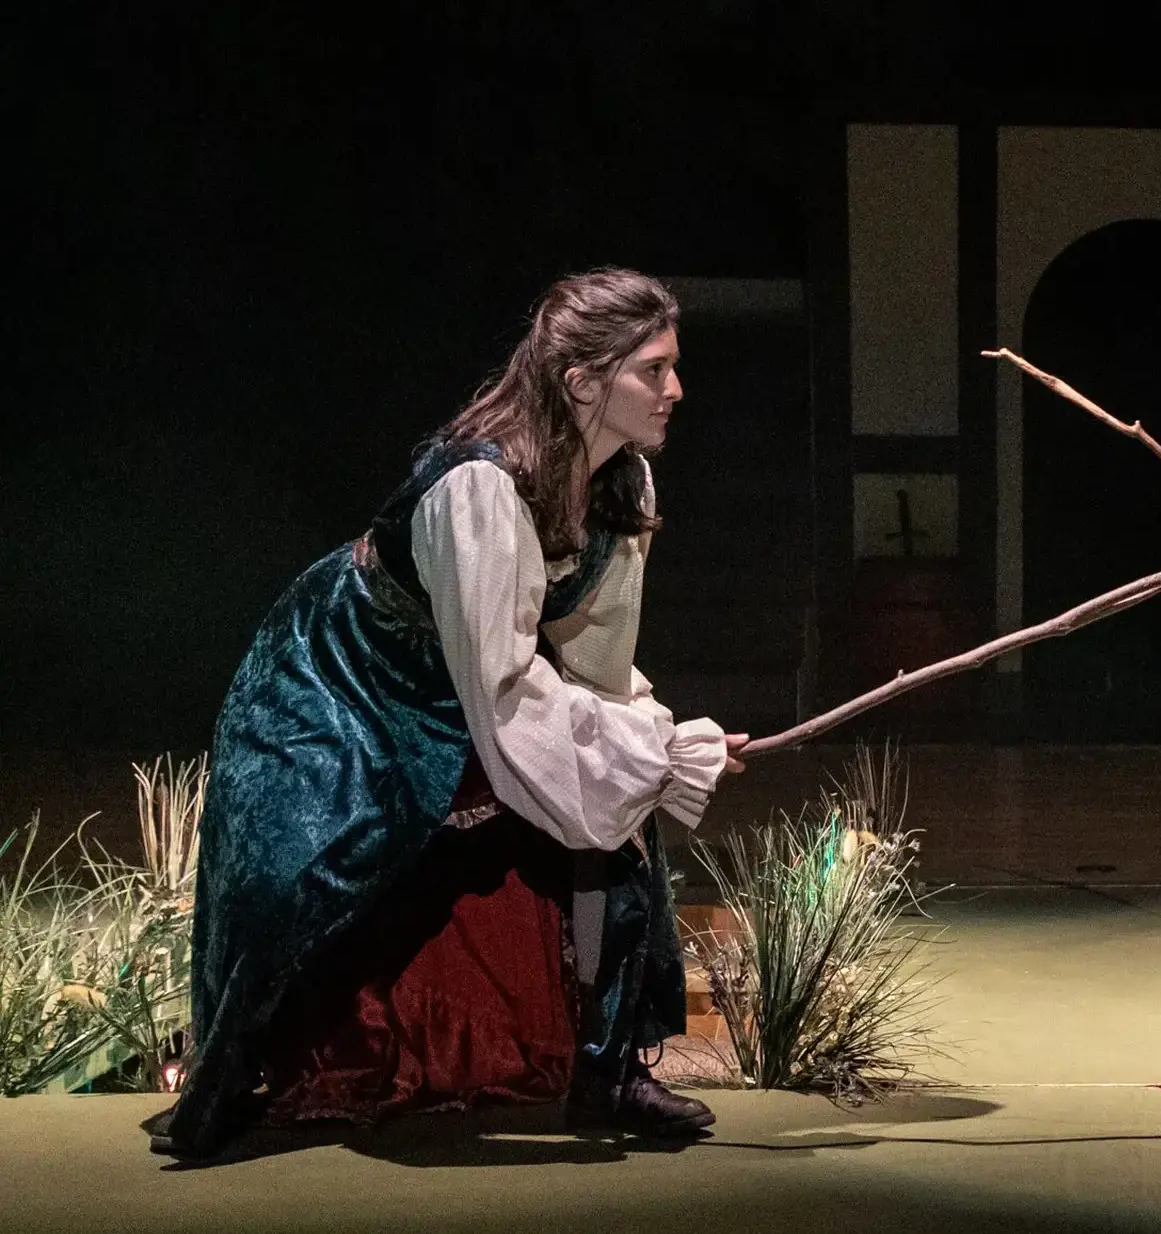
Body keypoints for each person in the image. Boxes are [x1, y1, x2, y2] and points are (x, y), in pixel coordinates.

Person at [155, 268, 746, 1158]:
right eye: (654, 370)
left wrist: (660, 749)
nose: (676, 390)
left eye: (672, 368)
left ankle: (611, 1066)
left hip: (471, 668)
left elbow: (597, 669)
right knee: (297, 867)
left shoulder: (625, 492)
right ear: (584, 382)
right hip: (341, 669)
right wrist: (648, 757)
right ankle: (233, 1075)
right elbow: (504, 694)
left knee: (618, 821)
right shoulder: (480, 487)